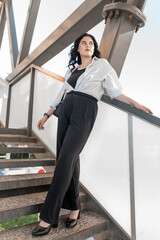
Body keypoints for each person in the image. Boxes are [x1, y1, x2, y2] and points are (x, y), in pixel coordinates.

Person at [32, 33, 153, 237]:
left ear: (93, 48)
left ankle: (48, 217)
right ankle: (75, 208)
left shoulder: (102, 65)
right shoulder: (71, 70)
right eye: (83, 43)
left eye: (91, 43)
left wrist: (135, 103)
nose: (88, 45)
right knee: (68, 159)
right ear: (77, 48)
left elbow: (115, 92)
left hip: (85, 109)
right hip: (66, 111)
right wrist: (46, 114)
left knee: (66, 160)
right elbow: (61, 94)